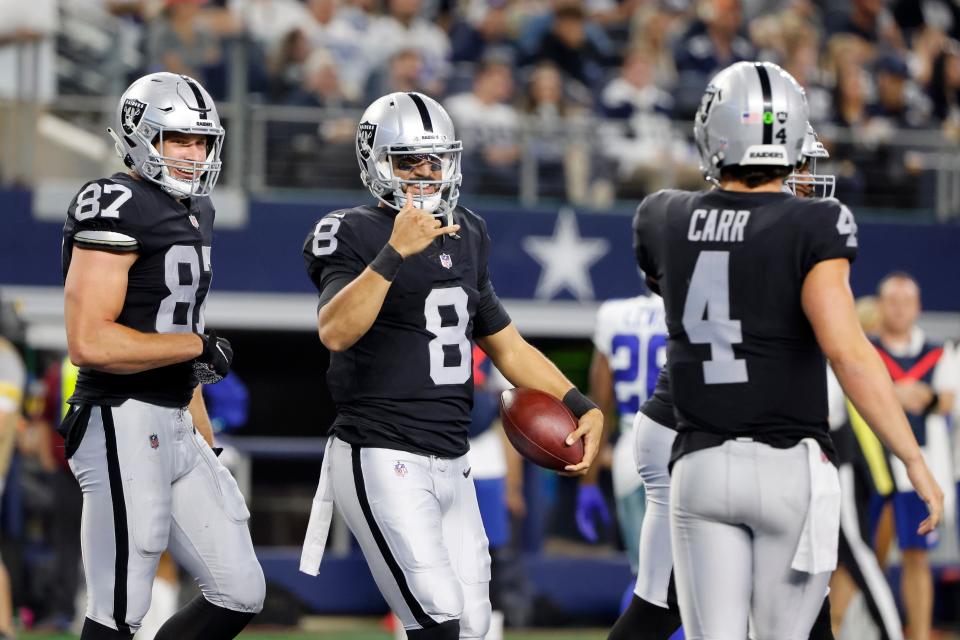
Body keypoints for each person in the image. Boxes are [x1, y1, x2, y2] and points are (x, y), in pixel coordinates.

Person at [632, 61, 942, 640]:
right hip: (787, 467)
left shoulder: (662, 215)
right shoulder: (816, 223)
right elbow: (849, 354)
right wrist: (913, 458)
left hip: (699, 463)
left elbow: (672, 279)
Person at [299, 91, 603, 640]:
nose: (423, 172)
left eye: (434, 159)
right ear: (376, 163)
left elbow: (508, 345)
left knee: (475, 627)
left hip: (454, 459)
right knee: (436, 616)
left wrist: (580, 404)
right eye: (407, 160)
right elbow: (336, 330)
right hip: (381, 451)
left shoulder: (468, 232)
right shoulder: (351, 230)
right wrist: (393, 253)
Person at [607, 122, 841, 640]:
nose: (807, 179)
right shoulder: (783, 234)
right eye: (797, 166)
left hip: (690, 423)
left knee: (673, 603)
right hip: (697, 428)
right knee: (664, 604)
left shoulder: (676, 218)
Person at [60, 72, 264, 640]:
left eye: (201, 141)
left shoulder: (199, 211)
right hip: (118, 414)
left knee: (240, 589)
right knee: (121, 602)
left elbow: (179, 337)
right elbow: (90, 342)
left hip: (173, 417)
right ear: (137, 136)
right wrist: (197, 346)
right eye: (178, 140)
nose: (193, 154)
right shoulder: (113, 203)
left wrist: (202, 432)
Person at [870, 272, 957, 640]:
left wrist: (916, 396)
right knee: (862, 560)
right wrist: (899, 393)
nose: (901, 308)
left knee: (916, 557)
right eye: (893, 300)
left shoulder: (939, 351)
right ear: (880, 305)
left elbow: (946, 399)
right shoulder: (865, 350)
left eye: (907, 301)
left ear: (918, 306)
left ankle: (918, 635)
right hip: (873, 468)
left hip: (921, 471)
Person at [576, 292, 666, 603]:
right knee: (685, 578)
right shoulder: (695, 307)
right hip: (682, 446)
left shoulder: (614, 313)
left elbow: (598, 407)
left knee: (644, 576)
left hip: (632, 450)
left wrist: (588, 482)